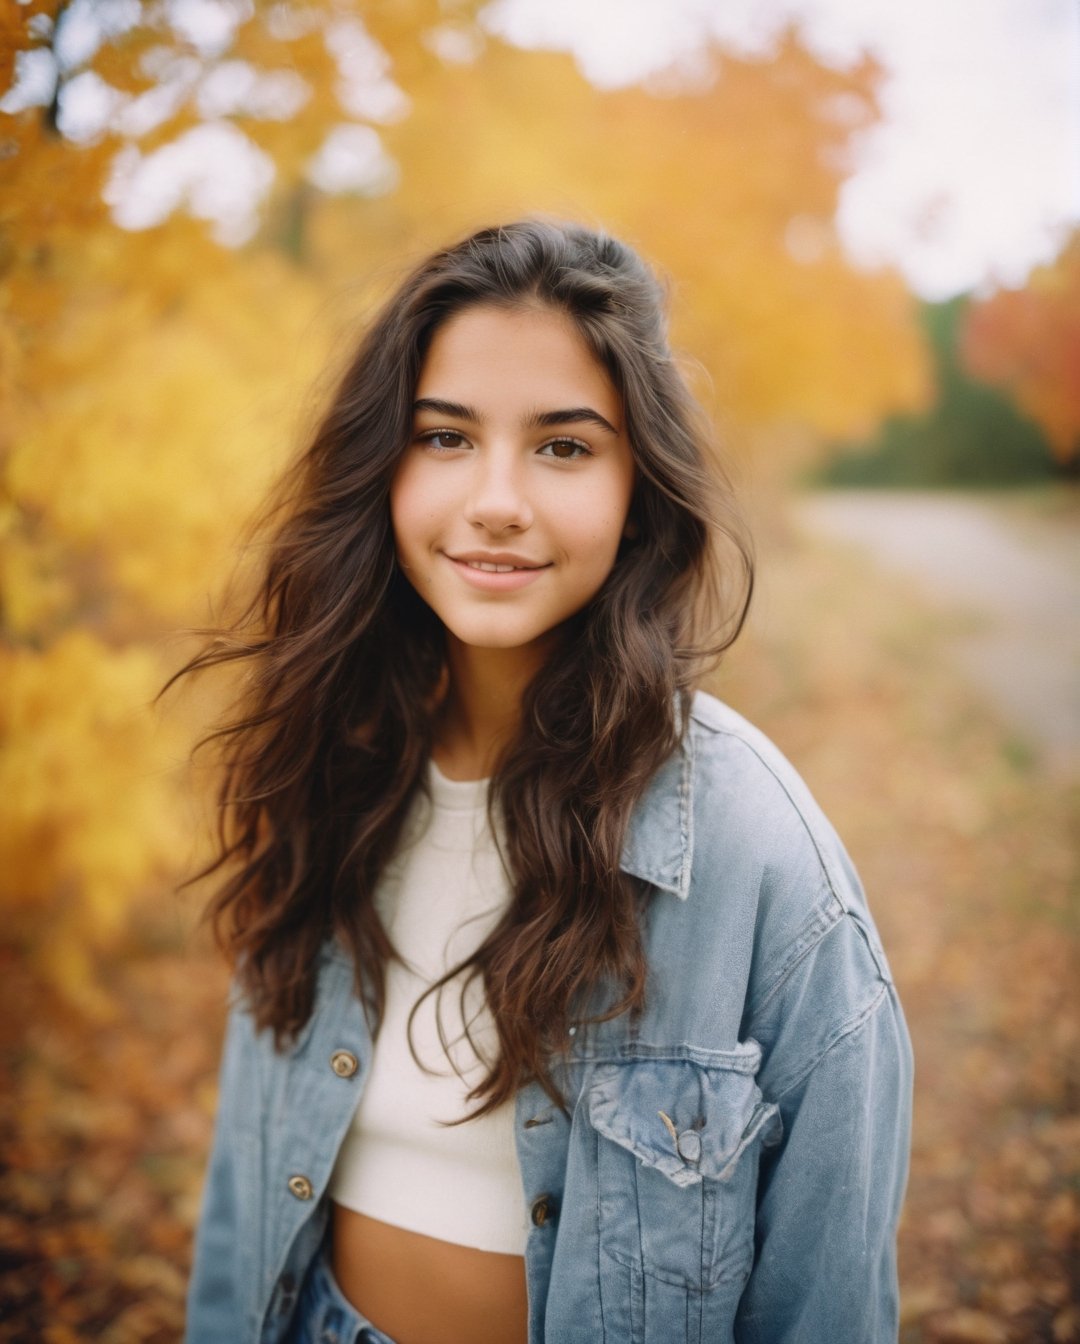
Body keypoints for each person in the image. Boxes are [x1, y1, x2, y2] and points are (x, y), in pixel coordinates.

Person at [180, 219, 912, 1344]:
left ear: (638, 492)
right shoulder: (326, 772)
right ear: (382, 463)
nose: (497, 500)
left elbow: (829, 1303)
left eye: (564, 447)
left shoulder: (757, 854)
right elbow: (243, 1201)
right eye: (445, 438)